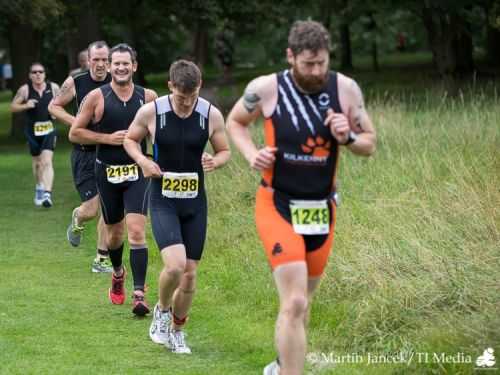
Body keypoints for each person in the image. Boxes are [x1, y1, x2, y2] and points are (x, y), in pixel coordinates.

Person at [226, 20, 376, 375]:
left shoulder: (346, 90)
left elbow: (370, 144)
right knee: (293, 302)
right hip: (277, 204)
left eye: (322, 62)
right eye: (308, 64)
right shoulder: (266, 89)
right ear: (290, 56)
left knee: (302, 305)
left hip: (322, 209)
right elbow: (235, 122)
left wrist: (348, 138)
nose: (316, 70)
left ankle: (281, 364)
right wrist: (252, 155)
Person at [123, 60, 230, 352]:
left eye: (193, 96)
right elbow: (130, 140)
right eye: (182, 98)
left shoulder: (210, 114)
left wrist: (215, 161)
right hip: (163, 200)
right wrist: (144, 161)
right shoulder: (151, 111)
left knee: (191, 274)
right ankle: (161, 310)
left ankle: (177, 331)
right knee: (175, 266)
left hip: (195, 202)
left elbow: (224, 151)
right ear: (170, 87)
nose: (187, 103)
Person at [69, 43, 157, 316]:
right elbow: (75, 133)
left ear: (134, 66)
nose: (120, 68)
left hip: (136, 171)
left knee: (136, 231)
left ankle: (139, 293)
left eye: (125, 63)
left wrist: (160, 159)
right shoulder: (97, 97)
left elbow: (158, 132)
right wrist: (107, 139)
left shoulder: (149, 96)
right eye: (115, 63)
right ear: (108, 67)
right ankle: (118, 272)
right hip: (106, 172)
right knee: (115, 233)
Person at [49, 41, 113, 273]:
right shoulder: (76, 82)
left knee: (109, 208)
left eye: (104, 59)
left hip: (109, 154)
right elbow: (54, 106)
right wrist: (76, 123)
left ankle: (101, 259)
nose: (100, 64)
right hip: (84, 155)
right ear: (88, 60)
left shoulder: (117, 81)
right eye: (95, 59)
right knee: (91, 210)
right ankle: (77, 217)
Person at [11, 62, 60, 207]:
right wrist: (26, 105)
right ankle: (39, 186)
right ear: (30, 75)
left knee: (47, 161)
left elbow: (61, 103)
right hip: (32, 131)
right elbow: (13, 107)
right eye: (34, 72)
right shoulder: (25, 90)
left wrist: (56, 113)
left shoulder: (54, 87)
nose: (38, 74)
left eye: (40, 72)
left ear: (45, 74)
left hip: (49, 129)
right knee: (37, 163)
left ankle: (47, 194)